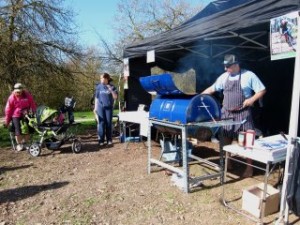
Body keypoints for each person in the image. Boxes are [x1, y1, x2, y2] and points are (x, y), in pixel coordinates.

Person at [202, 54, 266, 177]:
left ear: (236, 65)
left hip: (243, 113)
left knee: (248, 141)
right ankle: (228, 162)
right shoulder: (224, 77)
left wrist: (252, 99)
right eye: (225, 66)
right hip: (226, 113)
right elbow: (212, 88)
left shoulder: (249, 75)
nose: (225, 69)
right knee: (225, 138)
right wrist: (200, 96)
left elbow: (262, 90)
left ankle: (249, 168)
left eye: (228, 66)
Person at [4, 83, 37, 151]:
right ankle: (19, 144)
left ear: (22, 90)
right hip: (15, 115)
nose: (18, 92)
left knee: (27, 129)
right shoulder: (11, 97)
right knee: (18, 130)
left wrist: (34, 111)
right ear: (14, 90)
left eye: (20, 91)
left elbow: (32, 103)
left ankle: (25, 143)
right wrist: (7, 121)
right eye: (17, 91)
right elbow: (8, 110)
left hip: (26, 114)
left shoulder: (27, 95)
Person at [93, 73, 118, 147]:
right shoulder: (99, 87)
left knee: (108, 123)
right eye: (100, 78)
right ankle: (101, 141)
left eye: (102, 78)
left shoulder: (112, 86)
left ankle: (109, 140)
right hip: (100, 107)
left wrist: (110, 89)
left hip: (109, 108)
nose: (101, 80)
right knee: (101, 123)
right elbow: (96, 98)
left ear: (106, 79)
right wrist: (95, 108)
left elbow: (115, 97)